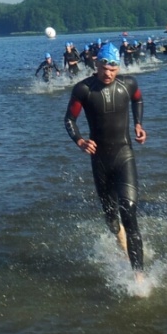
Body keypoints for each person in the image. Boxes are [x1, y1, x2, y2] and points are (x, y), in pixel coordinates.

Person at [64, 42, 146, 279]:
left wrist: (138, 124)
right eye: (104, 68)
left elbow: (138, 100)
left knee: (129, 213)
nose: (108, 73)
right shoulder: (83, 90)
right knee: (112, 219)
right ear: (96, 65)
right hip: (100, 160)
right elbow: (69, 119)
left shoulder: (129, 84)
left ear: (118, 68)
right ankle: (121, 243)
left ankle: (138, 276)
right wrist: (80, 141)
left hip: (124, 155)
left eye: (112, 69)